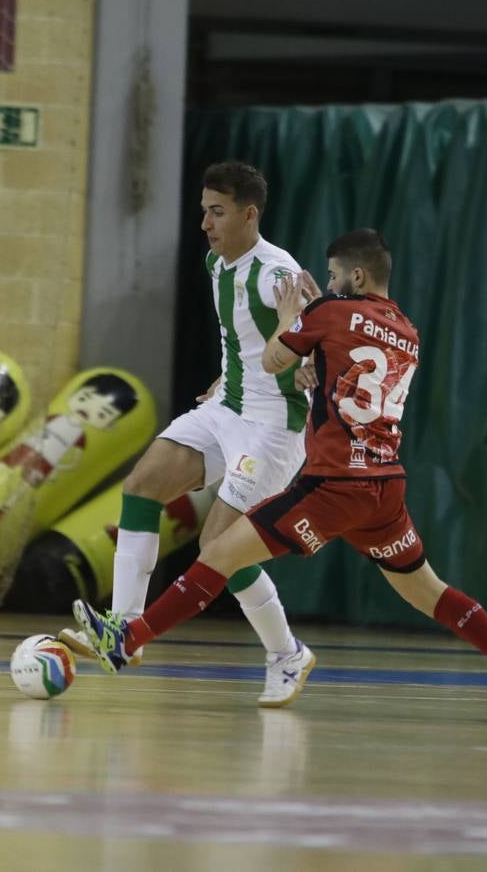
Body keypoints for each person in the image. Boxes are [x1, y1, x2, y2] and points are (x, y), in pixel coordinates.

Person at [73, 229, 487, 723]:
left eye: (332, 276)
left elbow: (272, 360)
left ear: (356, 275)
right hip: (385, 486)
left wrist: (292, 318)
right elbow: (351, 375)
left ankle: (127, 639)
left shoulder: (330, 311)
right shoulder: (409, 334)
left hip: (334, 486)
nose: (326, 283)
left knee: (217, 551)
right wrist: (314, 366)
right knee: (430, 592)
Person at [59, 161, 318, 708]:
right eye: (204, 211)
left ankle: (287, 652)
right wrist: (229, 375)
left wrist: (311, 358)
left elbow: (311, 329)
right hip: (225, 407)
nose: (205, 223)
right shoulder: (217, 264)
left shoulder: (278, 275)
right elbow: (245, 338)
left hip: (271, 428)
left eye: (217, 212)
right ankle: (123, 632)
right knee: (143, 484)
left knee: (218, 547)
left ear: (249, 215)